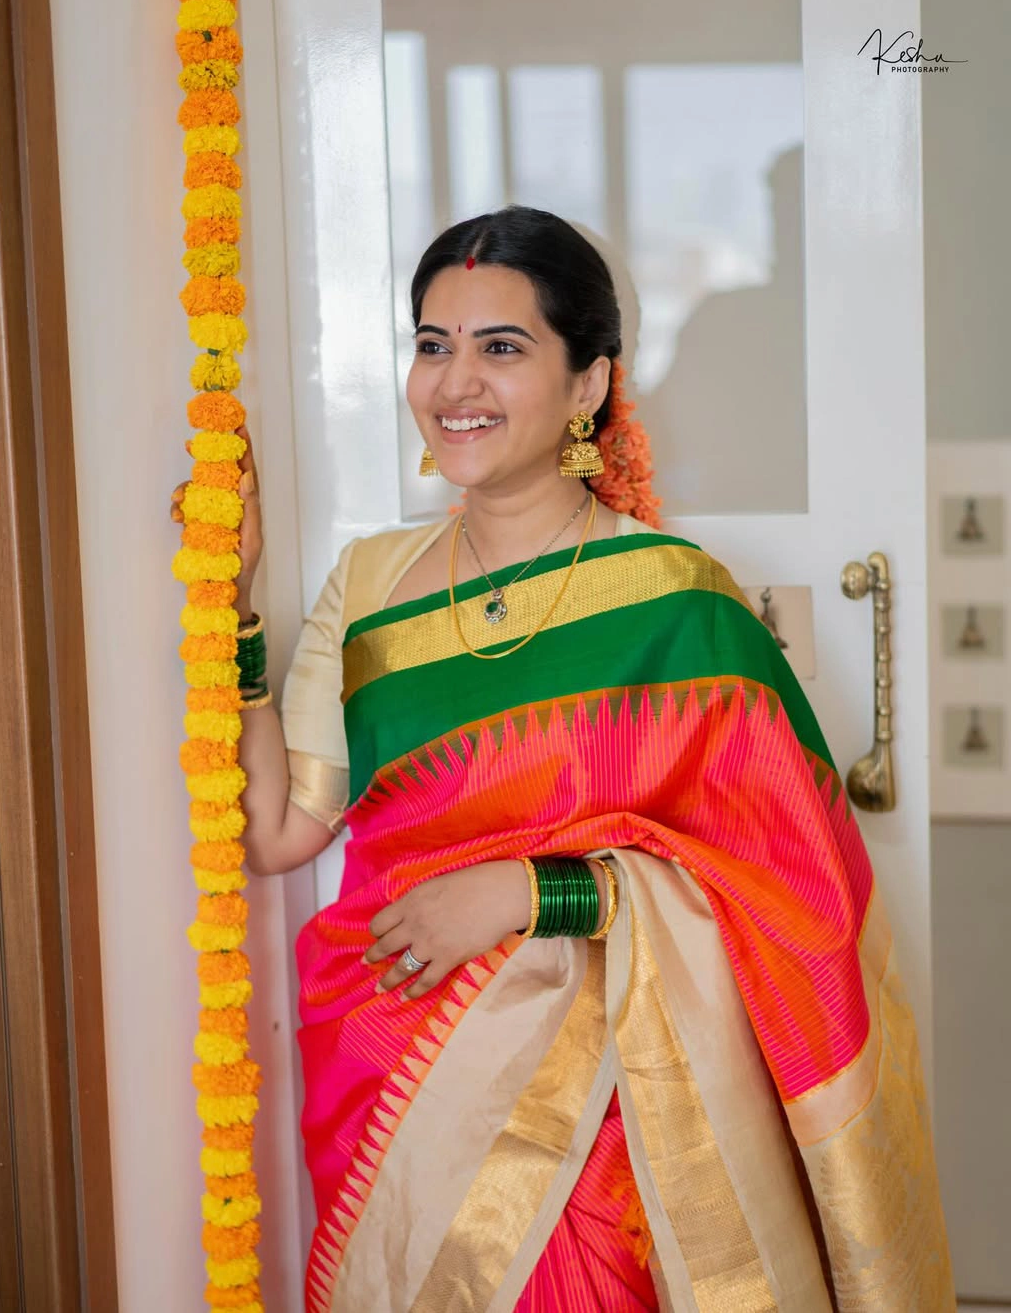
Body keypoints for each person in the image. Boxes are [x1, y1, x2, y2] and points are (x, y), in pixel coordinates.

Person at [173, 206, 952, 1311]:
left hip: (612, 1091)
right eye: (433, 345)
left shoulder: (676, 601)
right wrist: (236, 603)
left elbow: (789, 886)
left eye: (502, 347)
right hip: (396, 1066)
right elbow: (277, 831)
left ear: (589, 384)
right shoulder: (370, 585)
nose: (456, 384)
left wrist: (533, 891)